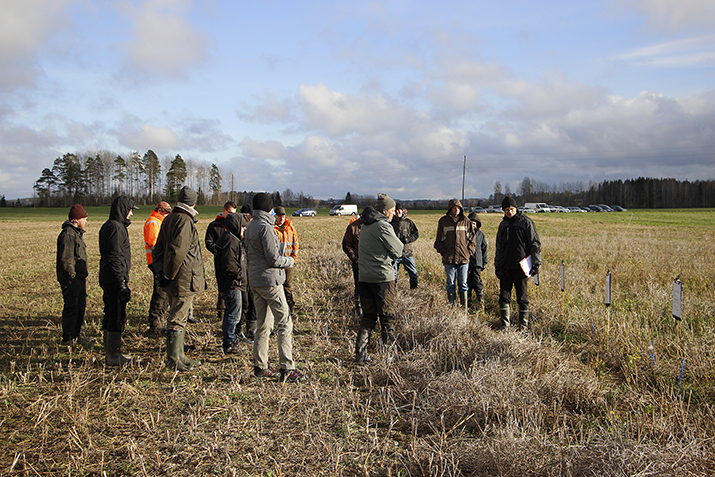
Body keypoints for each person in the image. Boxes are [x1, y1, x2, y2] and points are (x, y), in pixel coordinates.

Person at [244, 193, 305, 383]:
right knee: (285, 323)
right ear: (268, 208)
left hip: (254, 281)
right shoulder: (266, 228)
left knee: (263, 325)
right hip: (270, 282)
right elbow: (274, 259)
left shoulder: (251, 226)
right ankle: (287, 367)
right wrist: (290, 261)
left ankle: (260, 366)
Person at [152, 186, 206, 371]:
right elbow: (178, 252)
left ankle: (180, 355)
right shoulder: (184, 221)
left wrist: (161, 271)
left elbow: (157, 249)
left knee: (178, 316)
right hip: (183, 278)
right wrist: (167, 274)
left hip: (174, 277)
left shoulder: (169, 219)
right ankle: (174, 359)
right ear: (193, 203)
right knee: (178, 317)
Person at [355, 193, 403, 364]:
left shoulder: (366, 225)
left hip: (365, 277)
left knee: (368, 317)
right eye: (392, 210)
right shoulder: (383, 226)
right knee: (387, 317)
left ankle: (360, 355)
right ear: (385, 211)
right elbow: (398, 250)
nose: (393, 213)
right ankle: (389, 355)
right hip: (382, 278)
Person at [98, 195, 137, 366]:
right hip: (114, 278)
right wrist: (121, 281)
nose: (131, 214)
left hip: (108, 276)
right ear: (122, 210)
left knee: (110, 313)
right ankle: (113, 355)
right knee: (115, 315)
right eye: (129, 210)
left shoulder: (109, 226)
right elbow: (114, 256)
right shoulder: (115, 228)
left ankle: (111, 352)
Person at [494, 196, 542, 330]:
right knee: (504, 296)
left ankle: (523, 326)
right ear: (503, 211)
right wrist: (497, 265)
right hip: (505, 267)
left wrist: (536, 263)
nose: (509, 212)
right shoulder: (503, 225)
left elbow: (534, 243)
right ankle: (505, 326)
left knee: (522, 298)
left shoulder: (525, 222)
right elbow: (499, 246)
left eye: (512, 209)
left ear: (516, 209)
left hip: (521, 267)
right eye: (507, 210)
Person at [433, 199, 476, 309]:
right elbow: (438, 240)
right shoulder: (443, 221)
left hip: (463, 258)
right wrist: (443, 251)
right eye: (454, 208)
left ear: (461, 209)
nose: (456, 210)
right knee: (450, 284)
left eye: (458, 208)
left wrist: (469, 252)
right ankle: (452, 307)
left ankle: (464, 309)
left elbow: (472, 239)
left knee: (463, 284)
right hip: (449, 258)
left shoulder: (466, 221)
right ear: (450, 209)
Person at [56, 204, 89, 345]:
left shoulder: (75, 233)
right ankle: (68, 337)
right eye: (84, 219)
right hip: (72, 279)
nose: (86, 222)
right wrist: (71, 278)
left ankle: (77, 334)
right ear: (75, 220)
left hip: (78, 278)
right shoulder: (68, 235)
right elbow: (66, 259)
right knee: (72, 307)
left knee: (80, 306)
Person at [214, 213, 247, 354]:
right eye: (242, 226)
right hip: (232, 284)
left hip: (232, 283)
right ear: (236, 225)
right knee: (233, 314)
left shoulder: (230, 238)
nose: (244, 229)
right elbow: (229, 265)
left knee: (233, 313)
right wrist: (240, 276)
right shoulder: (230, 241)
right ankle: (229, 342)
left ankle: (231, 339)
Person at [205, 201, 238, 319]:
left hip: (233, 260)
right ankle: (221, 311)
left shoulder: (235, 225)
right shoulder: (214, 225)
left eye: (234, 213)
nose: (232, 216)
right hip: (220, 261)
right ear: (224, 211)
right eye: (230, 213)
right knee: (222, 286)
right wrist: (219, 252)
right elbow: (208, 243)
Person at [144, 201, 172, 332]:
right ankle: (155, 323)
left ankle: (161, 319)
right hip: (156, 262)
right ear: (160, 210)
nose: (168, 214)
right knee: (160, 292)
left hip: (161, 261)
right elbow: (153, 242)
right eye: (166, 211)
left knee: (164, 292)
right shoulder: (153, 222)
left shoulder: (160, 221)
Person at [273, 206, 299, 317]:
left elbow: (295, 244)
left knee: (288, 286)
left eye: (283, 215)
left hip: (288, 262)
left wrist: (294, 259)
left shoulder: (290, 228)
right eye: (279, 216)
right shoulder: (272, 228)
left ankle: (290, 309)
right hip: (276, 263)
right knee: (276, 287)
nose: (281, 218)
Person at [239, 203, 257, 340]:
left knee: (253, 301)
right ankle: (238, 330)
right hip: (243, 272)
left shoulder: (255, 229)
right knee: (244, 303)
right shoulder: (238, 230)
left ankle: (252, 330)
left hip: (253, 270)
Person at [390, 204, 419, 289]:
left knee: (413, 273)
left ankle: (414, 290)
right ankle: (393, 292)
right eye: (396, 210)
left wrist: (407, 239)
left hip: (407, 253)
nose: (398, 212)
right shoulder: (390, 223)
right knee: (393, 276)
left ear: (402, 210)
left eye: (399, 210)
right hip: (395, 254)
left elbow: (416, 234)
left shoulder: (408, 222)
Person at [342, 214, 362, 317]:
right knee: (359, 286)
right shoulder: (353, 227)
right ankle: (359, 309)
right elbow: (346, 245)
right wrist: (355, 259)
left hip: (371, 263)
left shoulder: (374, 226)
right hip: (358, 263)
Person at [467, 211, 488, 312]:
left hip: (477, 263)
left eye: (474, 223)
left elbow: (484, 248)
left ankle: (481, 303)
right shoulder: (464, 233)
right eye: (470, 222)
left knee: (477, 283)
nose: (472, 225)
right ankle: (467, 303)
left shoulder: (480, 234)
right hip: (465, 262)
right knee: (467, 283)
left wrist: (484, 262)